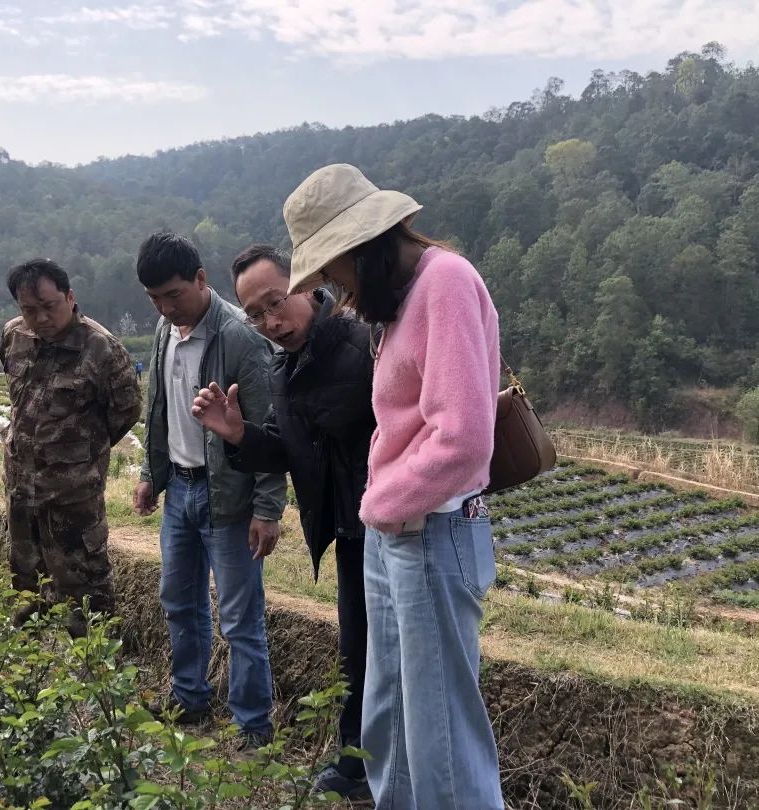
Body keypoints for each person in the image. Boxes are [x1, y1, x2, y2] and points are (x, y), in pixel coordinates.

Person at [283, 164, 504, 809]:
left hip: (432, 533)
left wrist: (379, 501)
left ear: (365, 246)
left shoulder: (445, 283)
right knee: (390, 713)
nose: (335, 290)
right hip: (396, 534)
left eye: (333, 271)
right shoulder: (399, 300)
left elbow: (461, 437)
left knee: (438, 729)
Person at [191, 245, 375, 801]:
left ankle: (382, 768)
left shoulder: (361, 343)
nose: (271, 322)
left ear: (309, 284)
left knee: (390, 653)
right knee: (357, 648)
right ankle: (357, 765)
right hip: (349, 531)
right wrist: (240, 434)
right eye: (256, 315)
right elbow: (295, 450)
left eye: (277, 303)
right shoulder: (286, 366)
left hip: (391, 526)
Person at [132, 232, 286, 750]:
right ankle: (190, 697)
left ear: (201, 279)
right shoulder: (163, 330)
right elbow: (158, 405)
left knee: (240, 617)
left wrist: (267, 508)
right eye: (154, 298)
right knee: (179, 600)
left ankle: (253, 725)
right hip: (180, 489)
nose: (165, 306)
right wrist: (151, 472)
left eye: (173, 294)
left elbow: (267, 430)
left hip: (229, 498)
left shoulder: (240, 338)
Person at [0, 257, 141, 638]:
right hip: (22, 494)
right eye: (29, 310)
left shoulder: (102, 350)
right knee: (27, 589)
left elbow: (125, 411)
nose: (41, 318)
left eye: (49, 306)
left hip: (73, 501)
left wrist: (78, 454)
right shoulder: (15, 338)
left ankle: (97, 686)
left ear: (70, 297)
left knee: (86, 596)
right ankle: (34, 677)